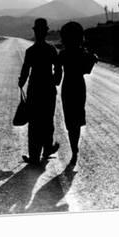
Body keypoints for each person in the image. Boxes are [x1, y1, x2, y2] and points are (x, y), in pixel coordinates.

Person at [18, 18, 62, 166]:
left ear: (36, 32)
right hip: (48, 89)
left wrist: (21, 82)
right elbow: (58, 68)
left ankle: (34, 156)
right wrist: (56, 80)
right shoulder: (51, 50)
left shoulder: (30, 51)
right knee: (47, 120)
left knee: (34, 122)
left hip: (34, 90)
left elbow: (25, 71)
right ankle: (47, 148)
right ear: (46, 32)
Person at [58, 21, 98, 166]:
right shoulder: (83, 53)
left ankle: (74, 149)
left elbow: (57, 79)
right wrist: (92, 59)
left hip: (67, 87)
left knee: (70, 121)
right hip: (79, 87)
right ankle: (75, 150)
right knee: (77, 118)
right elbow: (87, 70)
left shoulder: (62, 54)